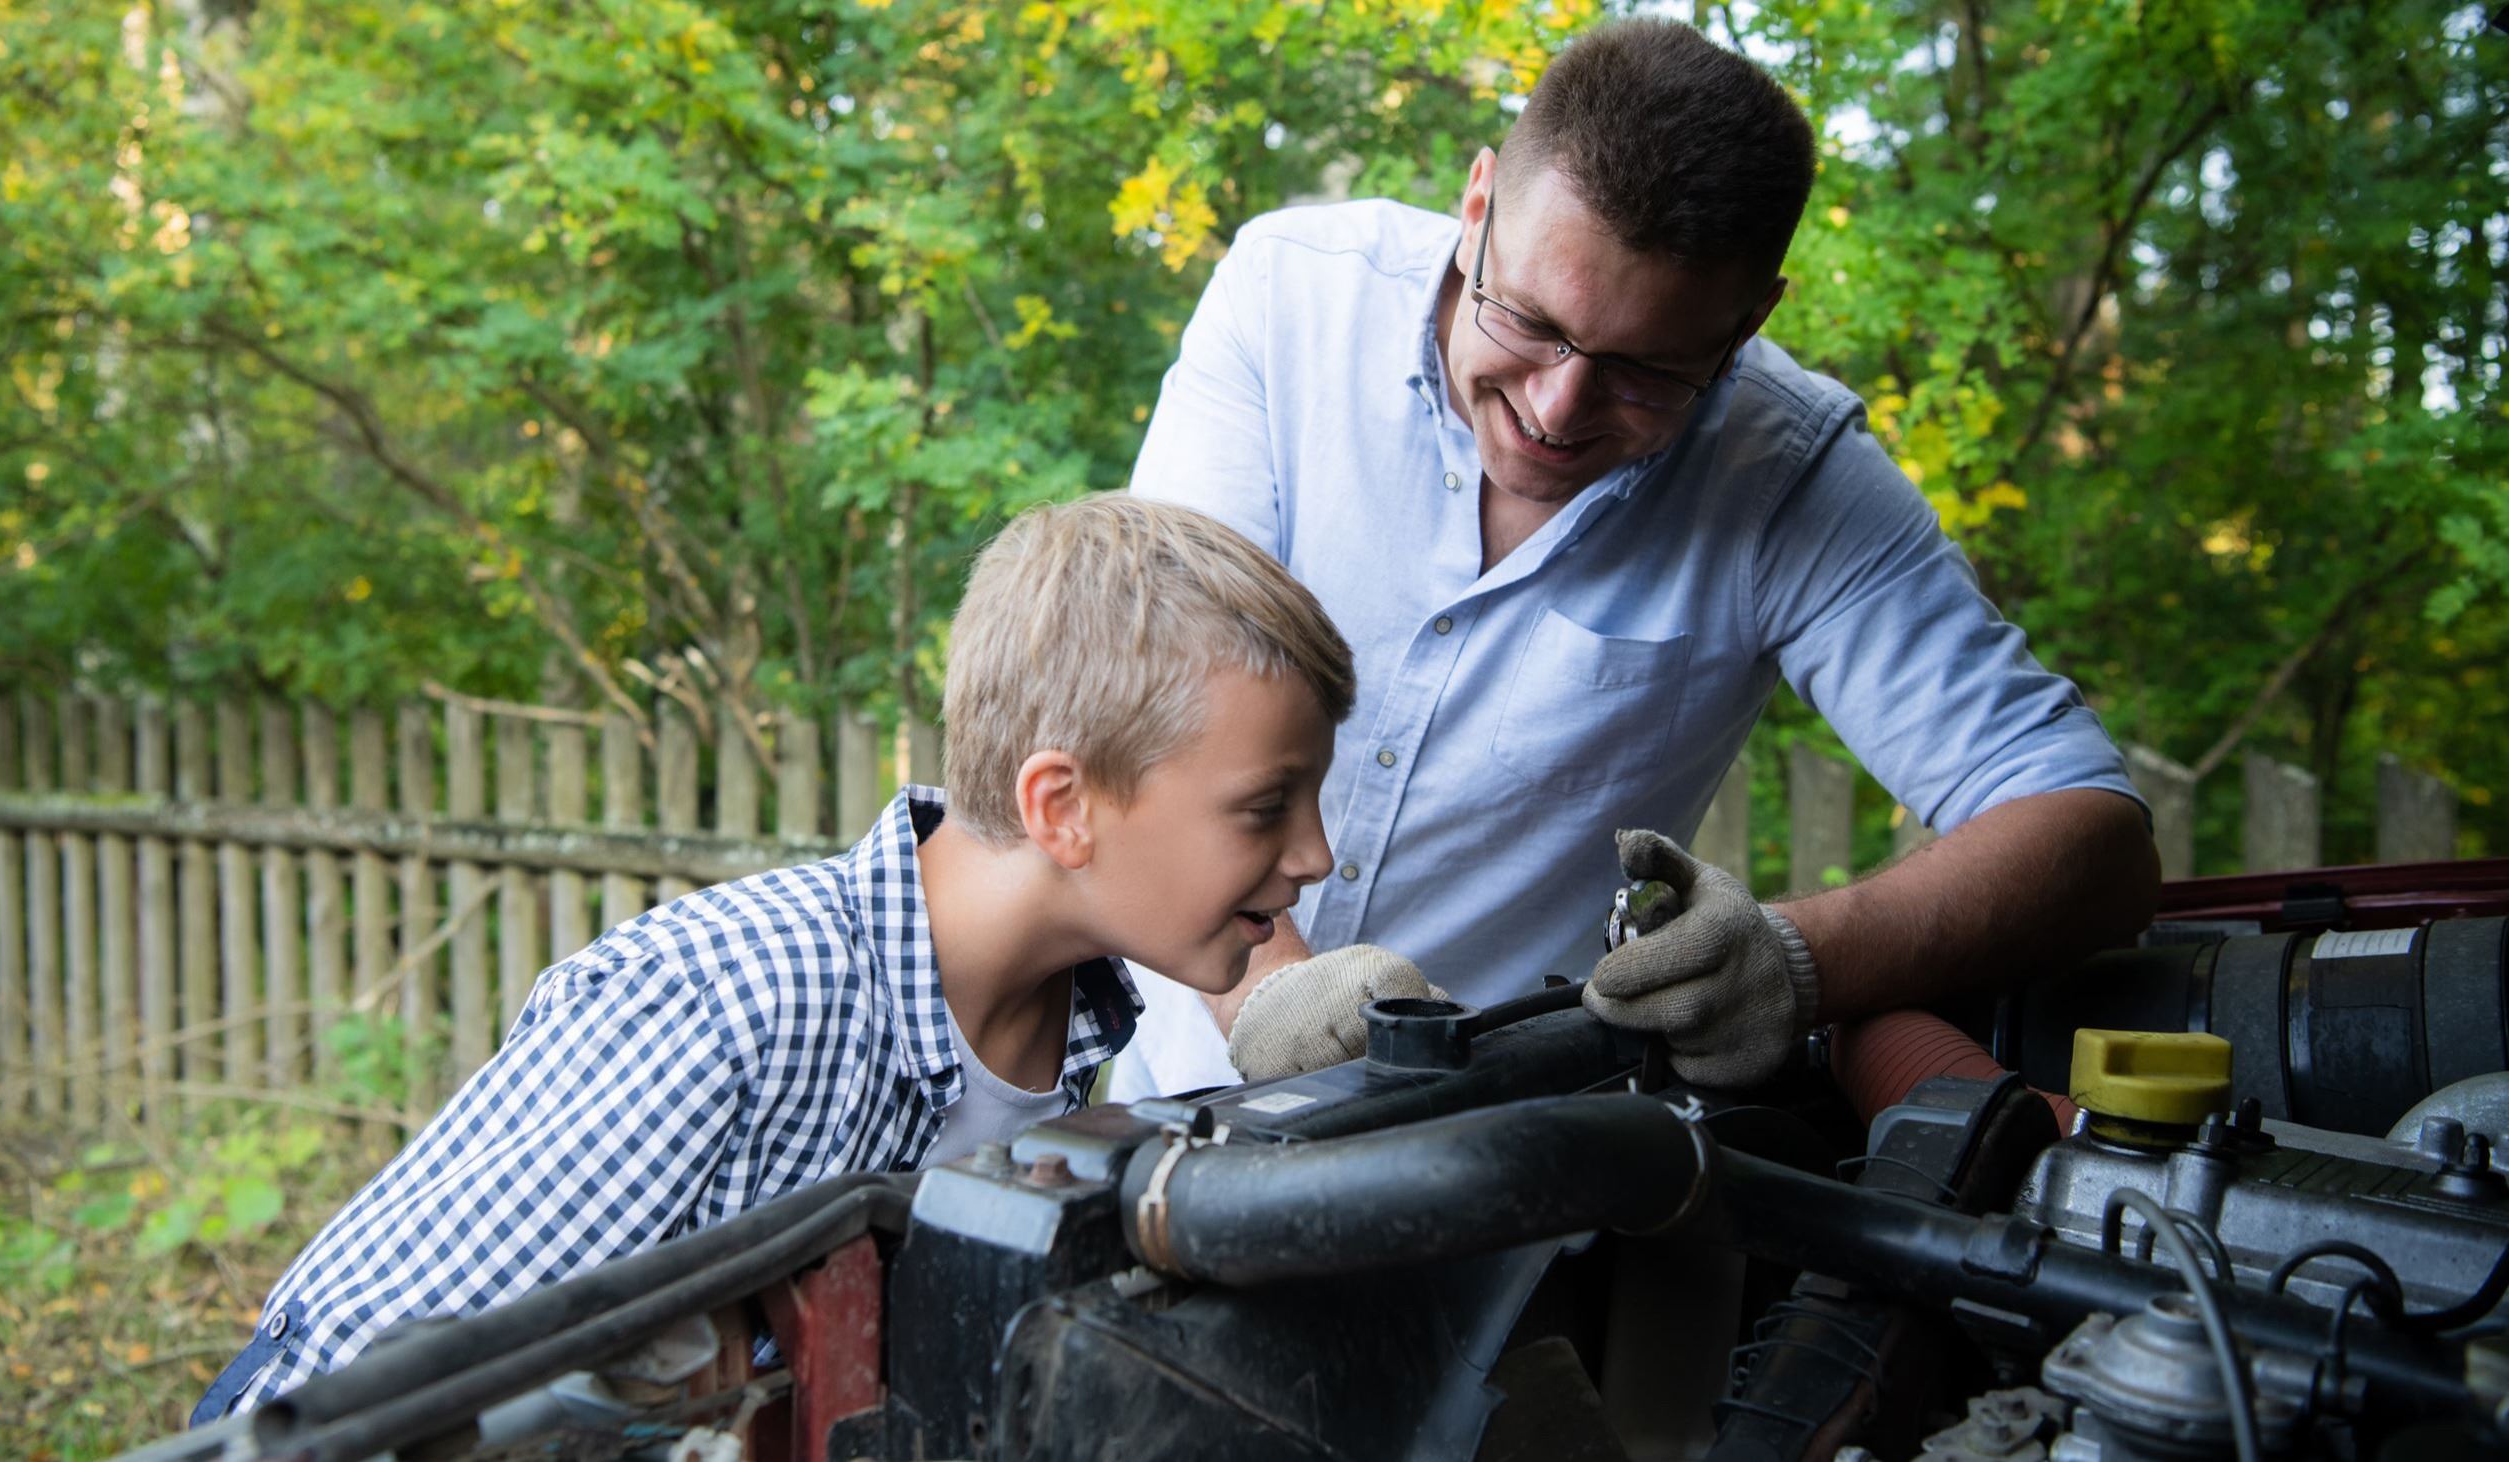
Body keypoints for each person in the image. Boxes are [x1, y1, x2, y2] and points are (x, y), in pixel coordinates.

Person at [1112, 18, 2158, 1099]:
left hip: (1509, 1152)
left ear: (1746, 323)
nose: (1555, 408)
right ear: (1477, 206)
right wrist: (1272, 988)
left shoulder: (1787, 478)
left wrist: (1794, 959)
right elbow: (1147, 694)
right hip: (1152, 1098)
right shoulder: (1290, 300)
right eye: (1526, 320)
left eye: (1644, 372)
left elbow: (2092, 836)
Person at [189, 495, 1355, 1421]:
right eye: (1265, 807)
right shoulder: (726, 1006)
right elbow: (360, 1392)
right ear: (1061, 808)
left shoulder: (1078, 1023)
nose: (1314, 854)